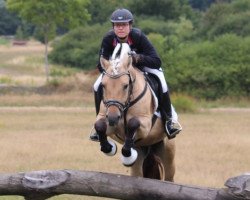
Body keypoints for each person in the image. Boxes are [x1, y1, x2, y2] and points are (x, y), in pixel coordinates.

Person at [90, 8, 182, 141]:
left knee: (161, 81)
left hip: (143, 67)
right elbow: (101, 64)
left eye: (124, 25)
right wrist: (113, 66)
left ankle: (169, 120)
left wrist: (137, 58)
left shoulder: (138, 36)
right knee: (97, 85)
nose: (120, 28)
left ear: (130, 25)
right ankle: (100, 121)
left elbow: (156, 61)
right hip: (117, 72)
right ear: (113, 27)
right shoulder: (108, 38)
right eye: (117, 25)